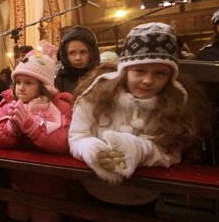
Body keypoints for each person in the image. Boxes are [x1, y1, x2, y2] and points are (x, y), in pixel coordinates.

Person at [69, 23, 208, 205]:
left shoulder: (176, 104)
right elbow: (78, 135)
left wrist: (138, 149)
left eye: (159, 73)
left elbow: (171, 152)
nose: (148, 80)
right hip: (92, 187)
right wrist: (91, 149)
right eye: (139, 71)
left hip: (142, 194)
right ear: (125, 70)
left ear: (170, 76)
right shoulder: (94, 96)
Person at [0, 48, 74, 222]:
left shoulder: (60, 107)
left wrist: (33, 128)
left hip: (51, 179)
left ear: (43, 85)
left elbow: (64, 141)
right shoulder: (10, 103)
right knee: (17, 216)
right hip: (20, 177)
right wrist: (10, 128)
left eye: (28, 83)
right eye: (18, 82)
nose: (20, 87)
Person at [54, 25, 100, 94]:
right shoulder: (59, 81)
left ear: (92, 53)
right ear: (65, 55)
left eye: (83, 52)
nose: (78, 58)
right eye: (72, 53)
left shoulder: (100, 77)